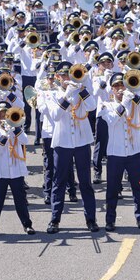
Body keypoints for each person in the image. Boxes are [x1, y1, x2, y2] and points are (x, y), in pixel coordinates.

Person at [44, 61, 98, 234]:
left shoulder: (81, 91)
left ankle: (91, 219)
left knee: (85, 182)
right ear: (57, 77)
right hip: (63, 142)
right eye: (63, 75)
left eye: (69, 74)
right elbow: (55, 115)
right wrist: (67, 95)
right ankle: (55, 219)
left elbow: (92, 106)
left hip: (81, 141)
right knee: (59, 181)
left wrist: (81, 90)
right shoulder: (51, 94)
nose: (67, 78)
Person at [102, 72, 140, 231]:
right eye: (116, 86)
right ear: (111, 89)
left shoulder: (135, 103)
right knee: (112, 188)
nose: (120, 89)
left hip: (134, 151)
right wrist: (124, 103)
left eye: (122, 85)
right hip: (115, 153)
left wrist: (136, 98)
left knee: (138, 187)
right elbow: (112, 120)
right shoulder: (106, 105)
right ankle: (110, 220)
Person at [0, 101, 36, 237]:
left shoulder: (17, 130)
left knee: (20, 200)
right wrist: (5, 134)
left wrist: (15, 129)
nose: (3, 118)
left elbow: (25, 141)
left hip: (16, 171)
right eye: (1, 116)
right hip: (1, 172)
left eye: (6, 115)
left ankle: (27, 225)